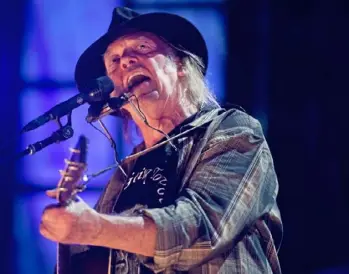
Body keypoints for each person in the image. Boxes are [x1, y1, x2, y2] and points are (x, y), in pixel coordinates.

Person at [40, 6, 283, 274]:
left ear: (180, 64)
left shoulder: (234, 131)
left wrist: (95, 228)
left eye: (142, 47)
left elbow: (202, 230)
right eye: (114, 60)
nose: (126, 61)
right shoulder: (124, 174)